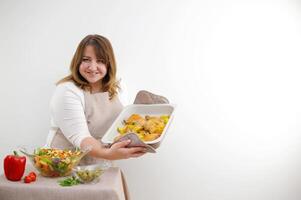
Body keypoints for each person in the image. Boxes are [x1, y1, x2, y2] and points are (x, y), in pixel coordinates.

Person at [45, 34, 153, 164]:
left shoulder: (117, 86)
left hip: (100, 164)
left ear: (109, 63)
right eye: (86, 59)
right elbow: (81, 137)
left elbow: (124, 124)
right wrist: (108, 153)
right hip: (63, 164)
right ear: (78, 61)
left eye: (100, 61)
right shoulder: (67, 90)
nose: (92, 67)